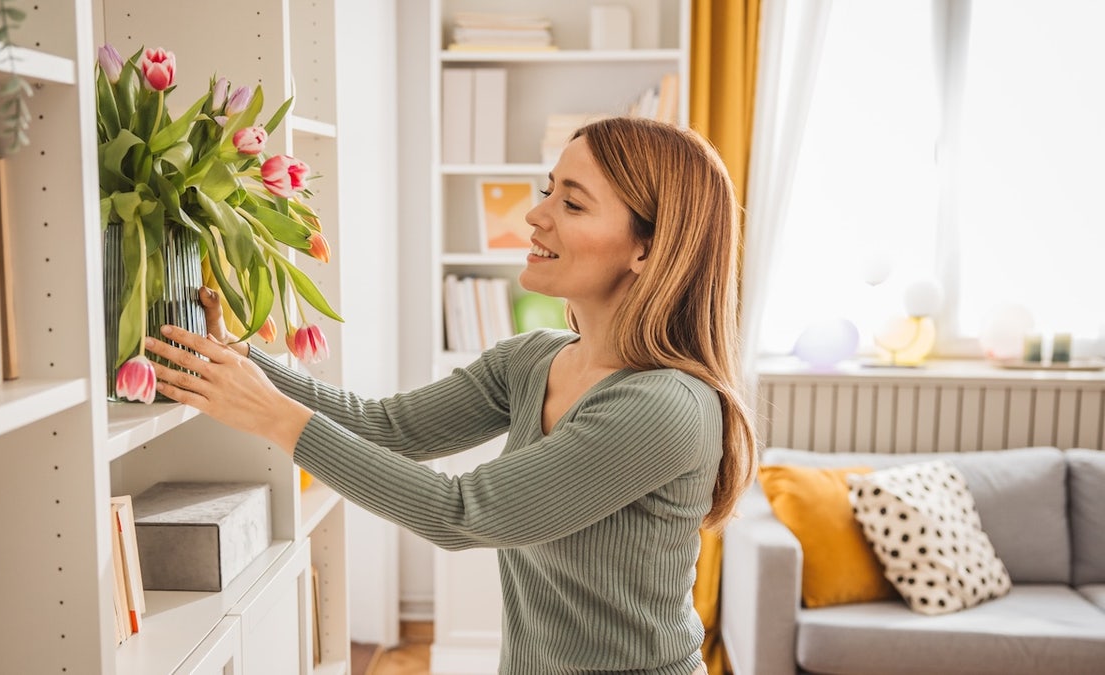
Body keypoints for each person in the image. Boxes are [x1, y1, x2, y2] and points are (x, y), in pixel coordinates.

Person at [145, 116, 758, 675]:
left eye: (572, 203)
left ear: (649, 248)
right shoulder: (534, 358)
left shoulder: (666, 407)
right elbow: (385, 426)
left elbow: (462, 514)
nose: (535, 215)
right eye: (548, 190)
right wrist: (244, 360)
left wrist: (272, 416)